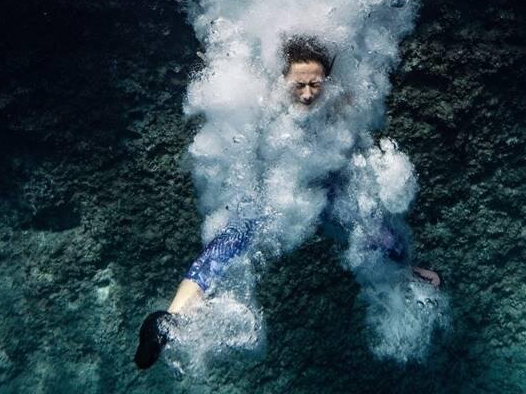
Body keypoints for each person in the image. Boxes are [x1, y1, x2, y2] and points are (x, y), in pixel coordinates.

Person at [134, 36, 441, 370]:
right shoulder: (263, 101)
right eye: (299, 85)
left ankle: (406, 272)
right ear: (282, 80)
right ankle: (168, 321)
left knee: (382, 238)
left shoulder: (341, 101)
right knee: (232, 239)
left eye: (315, 85)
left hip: (328, 187)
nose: (307, 94)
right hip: (277, 189)